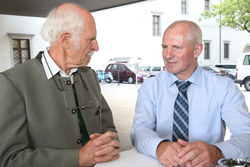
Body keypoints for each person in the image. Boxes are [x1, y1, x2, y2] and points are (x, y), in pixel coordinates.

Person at [0, 3, 120, 167]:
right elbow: (9, 159)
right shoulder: (13, 83)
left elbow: (109, 128)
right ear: (65, 40)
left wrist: (109, 143)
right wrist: (77, 158)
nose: (96, 47)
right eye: (90, 39)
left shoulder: (90, 76)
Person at [131, 20, 250, 167]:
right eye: (164, 47)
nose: (167, 55)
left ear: (197, 50)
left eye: (176, 47)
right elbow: (139, 129)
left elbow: (247, 135)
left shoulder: (224, 88)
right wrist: (158, 146)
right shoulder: (150, 87)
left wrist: (217, 152)